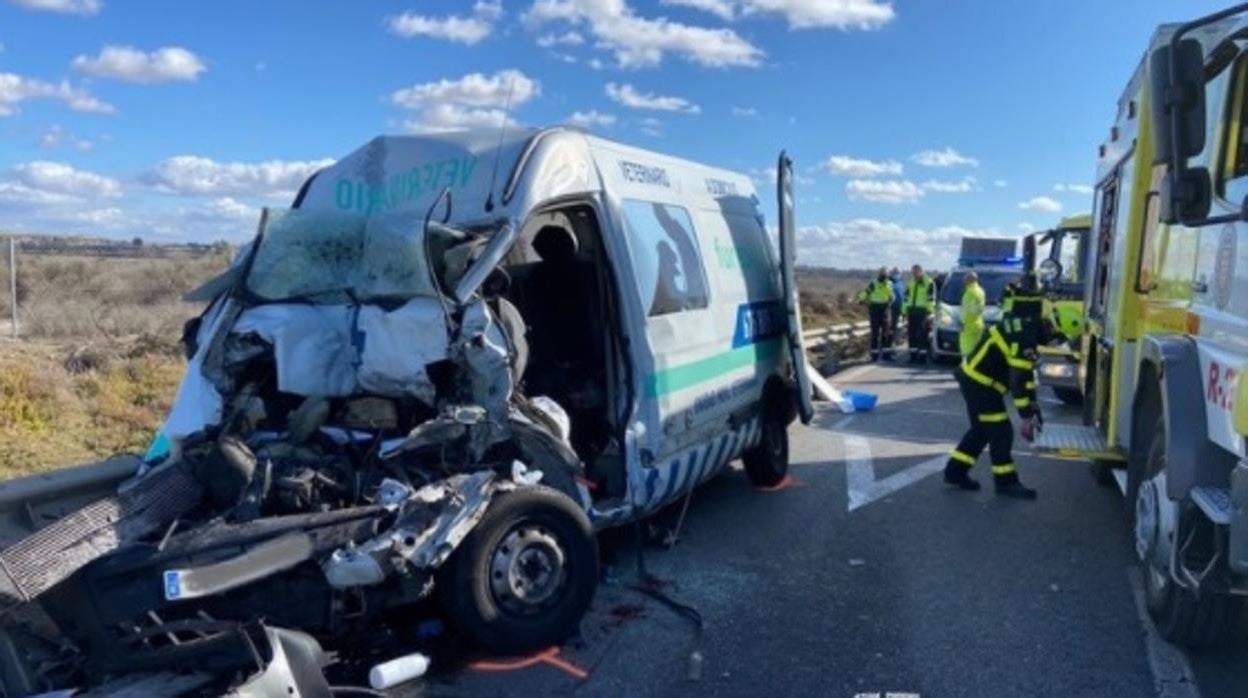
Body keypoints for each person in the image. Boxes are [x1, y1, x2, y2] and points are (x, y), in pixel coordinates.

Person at [943, 288, 1051, 499]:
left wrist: (1033, 403)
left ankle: (954, 472)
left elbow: (1026, 377)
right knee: (1001, 431)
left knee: (982, 430)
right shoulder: (1024, 335)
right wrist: (1026, 414)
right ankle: (1005, 483)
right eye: (1052, 332)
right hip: (980, 384)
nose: (1052, 337)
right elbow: (1018, 380)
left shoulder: (1021, 326)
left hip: (973, 379)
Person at [857, 267, 895, 361]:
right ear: (879, 274)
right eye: (883, 273)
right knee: (875, 333)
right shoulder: (874, 283)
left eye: (886, 274)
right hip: (875, 309)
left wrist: (891, 300)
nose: (884, 275)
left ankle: (886, 355)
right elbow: (866, 292)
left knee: (886, 333)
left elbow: (892, 296)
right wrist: (860, 299)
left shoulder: (889, 284)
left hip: (885, 309)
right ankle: (874, 355)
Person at [903, 264, 936, 364]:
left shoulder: (929, 282)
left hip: (923, 312)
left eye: (916, 272)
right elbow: (906, 298)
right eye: (913, 272)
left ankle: (922, 357)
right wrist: (904, 312)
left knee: (922, 334)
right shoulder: (911, 282)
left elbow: (931, 299)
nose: (914, 274)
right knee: (911, 334)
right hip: (911, 311)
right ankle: (913, 357)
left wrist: (929, 312)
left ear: (921, 271)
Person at [959, 270, 986, 358]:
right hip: (978, 323)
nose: (963, 281)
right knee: (977, 352)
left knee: (967, 351)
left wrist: (962, 323)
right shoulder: (980, 291)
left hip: (968, 325)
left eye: (965, 279)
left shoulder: (969, 293)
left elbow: (966, 310)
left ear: (968, 280)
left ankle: (966, 369)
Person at [888, 267, 904, 358]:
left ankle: (893, 349)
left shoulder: (900, 283)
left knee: (896, 330)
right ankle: (890, 350)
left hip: (899, 310)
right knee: (890, 330)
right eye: (895, 272)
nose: (896, 274)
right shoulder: (889, 282)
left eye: (898, 272)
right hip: (891, 309)